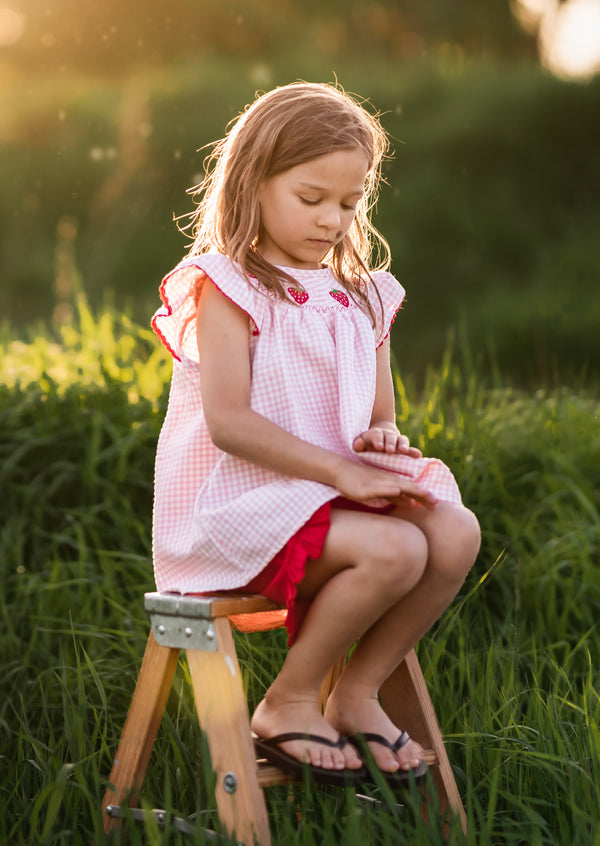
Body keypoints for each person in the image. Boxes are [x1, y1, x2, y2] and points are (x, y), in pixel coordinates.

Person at [151, 81, 481, 785]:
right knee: (395, 548)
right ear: (254, 184)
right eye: (312, 199)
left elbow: (377, 416)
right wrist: (340, 475)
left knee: (455, 532)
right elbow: (230, 422)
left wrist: (381, 443)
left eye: (350, 203)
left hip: (329, 501)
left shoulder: (363, 295)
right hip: (242, 508)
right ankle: (287, 701)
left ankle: (356, 692)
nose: (332, 219)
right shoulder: (229, 285)